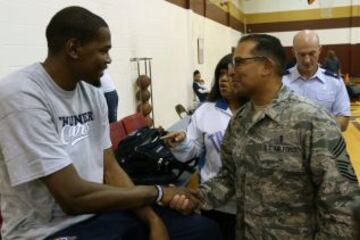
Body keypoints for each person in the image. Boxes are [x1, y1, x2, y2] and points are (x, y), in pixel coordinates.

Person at [0, 6, 221, 240]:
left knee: (203, 230)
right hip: (46, 230)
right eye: (103, 51)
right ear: (73, 48)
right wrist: (158, 193)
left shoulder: (93, 93)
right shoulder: (21, 95)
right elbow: (71, 198)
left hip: (99, 215)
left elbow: (110, 169)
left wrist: (152, 219)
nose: (109, 59)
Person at [169, 34, 359, 239]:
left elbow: (342, 206)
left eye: (239, 62)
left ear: (266, 67)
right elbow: (228, 178)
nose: (232, 72)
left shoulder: (312, 121)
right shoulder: (240, 120)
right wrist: (196, 197)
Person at [165, 54, 248, 240]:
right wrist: (182, 142)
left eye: (231, 74)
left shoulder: (258, 110)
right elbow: (191, 151)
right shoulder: (205, 111)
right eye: (221, 74)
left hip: (253, 203)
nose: (224, 80)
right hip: (216, 202)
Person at [283, 30, 351, 131]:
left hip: (324, 144)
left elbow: (343, 120)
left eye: (312, 53)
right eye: (302, 54)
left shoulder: (334, 82)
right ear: (293, 52)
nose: (307, 60)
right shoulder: (280, 81)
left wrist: (316, 132)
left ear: (320, 50)